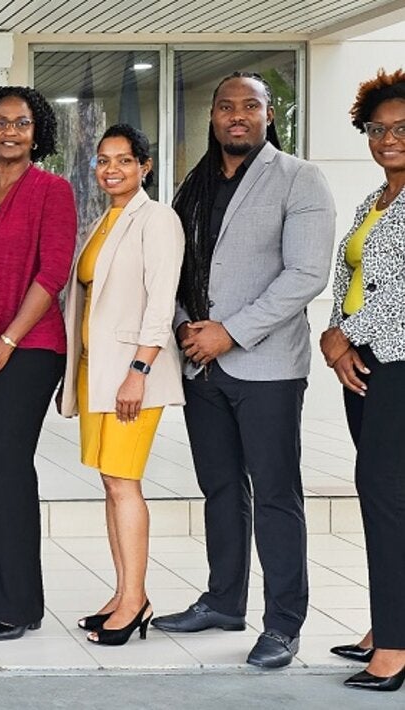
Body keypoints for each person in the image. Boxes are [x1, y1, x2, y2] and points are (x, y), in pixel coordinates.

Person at [150, 72, 334, 670]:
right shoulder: (194, 184)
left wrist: (230, 331)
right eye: (226, 107)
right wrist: (185, 326)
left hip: (267, 366)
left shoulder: (300, 178)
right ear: (212, 116)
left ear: (268, 112)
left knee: (276, 495)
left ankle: (284, 623)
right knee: (222, 490)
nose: (237, 116)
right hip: (201, 366)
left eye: (249, 106)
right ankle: (225, 601)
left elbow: (306, 274)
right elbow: (175, 266)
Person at [0, 86, 76, 641]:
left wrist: (6, 340)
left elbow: (53, 273)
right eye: (0, 123)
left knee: (7, 464)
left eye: (21, 123)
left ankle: (20, 603)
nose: (10, 132)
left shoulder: (53, 190)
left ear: (36, 132)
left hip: (26, 349)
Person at [58, 124, 185, 646]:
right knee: (111, 484)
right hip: (97, 371)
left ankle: (135, 601)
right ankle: (123, 593)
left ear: (145, 167)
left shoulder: (156, 219)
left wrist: (140, 371)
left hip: (132, 375)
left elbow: (161, 301)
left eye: (124, 161)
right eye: (104, 161)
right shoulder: (104, 220)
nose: (112, 169)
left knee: (124, 483)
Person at [317, 68, 405, 692]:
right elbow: (352, 278)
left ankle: (395, 647)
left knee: (383, 491)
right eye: (378, 129)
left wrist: (350, 333)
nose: (387, 139)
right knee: (383, 494)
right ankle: (386, 622)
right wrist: (334, 337)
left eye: (401, 129)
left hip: (399, 359)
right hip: (365, 362)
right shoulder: (372, 202)